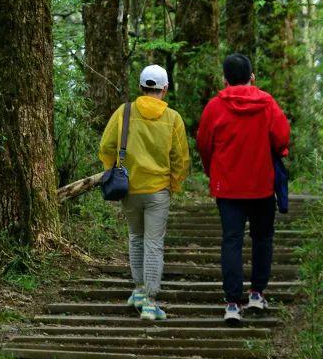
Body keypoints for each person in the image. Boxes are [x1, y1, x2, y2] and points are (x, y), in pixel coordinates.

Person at [197, 53, 291, 326]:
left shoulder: (215, 107)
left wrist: (211, 170)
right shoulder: (267, 103)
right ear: (252, 76)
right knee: (262, 238)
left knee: (232, 240)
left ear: (225, 79)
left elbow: (204, 143)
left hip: (227, 187)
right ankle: (257, 293)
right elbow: (282, 137)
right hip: (262, 184)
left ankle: (232, 303)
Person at [98, 65, 189, 321]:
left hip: (130, 188)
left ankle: (138, 291)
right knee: (153, 244)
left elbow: (106, 145)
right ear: (165, 89)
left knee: (136, 238)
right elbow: (181, 158)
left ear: (141, 87)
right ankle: (150, 303)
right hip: (158, 191)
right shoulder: (173, 118)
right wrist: (174, 183)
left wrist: (113, 170)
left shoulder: (124, 112)